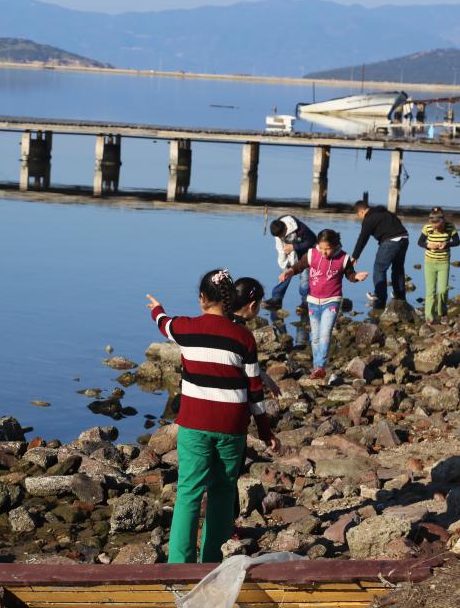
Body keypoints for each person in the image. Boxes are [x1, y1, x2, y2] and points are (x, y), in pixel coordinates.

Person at [145, 269, 278, 563]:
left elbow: (163, 324)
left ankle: (179, 567)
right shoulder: (244, 337)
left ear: (202, 299)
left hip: (195, 425)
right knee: (221, 493)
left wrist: (157, 308)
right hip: (232, 427)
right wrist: (266, 432)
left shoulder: (186, 329)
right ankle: (211, 565)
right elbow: (255, 392)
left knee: (189, 493)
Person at [280, 230, 369, 379]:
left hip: (332, 301)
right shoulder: (311, 254)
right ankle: (317, 370)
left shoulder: (343, 258)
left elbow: (350, 275)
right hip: (313, 302)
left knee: (325, 334)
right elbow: (299, 266)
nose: (323, 252)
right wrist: (289, 272)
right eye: (321, 248)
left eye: (327, 249)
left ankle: (320, 365)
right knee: (314, 337)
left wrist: (357, 277)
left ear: (335, 246)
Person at [351, 201, 409, 310]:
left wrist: (355, 256)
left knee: (379, 269)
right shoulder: (385, 212)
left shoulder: (368, 219)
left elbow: (362, 238)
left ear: (361, 212)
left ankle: (380, 299)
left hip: (390, 241)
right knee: (398, 269)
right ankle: (401, 298)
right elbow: (398, 222)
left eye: (358, 216)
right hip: (404, 238)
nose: (360, 218)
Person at [418, 207, 460, 323]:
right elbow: (420, 242)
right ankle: (429, 317)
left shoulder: (450, 227)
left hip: (444, 263)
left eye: (438, 226)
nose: (436, 228)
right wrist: (428, 245)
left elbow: (457, 242)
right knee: (430, 291)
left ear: (443, 221)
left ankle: (442, 313)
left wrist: (447, 244)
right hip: (429, 263)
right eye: (433, 226)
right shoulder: (427, 228)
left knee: (442, 290)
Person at [265, 215, 315, 311]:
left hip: (307, 254)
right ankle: (277, 299)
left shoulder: (301, 229)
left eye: (281, 235)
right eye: (278, 236)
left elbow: (312, 240)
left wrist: (294, 247)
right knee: (284, 275)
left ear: (286, 228)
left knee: (305, 280)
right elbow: (280, 249)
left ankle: (305, 302)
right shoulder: (278, 231)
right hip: (292, 255)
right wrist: (284, 265)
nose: (280, 238)